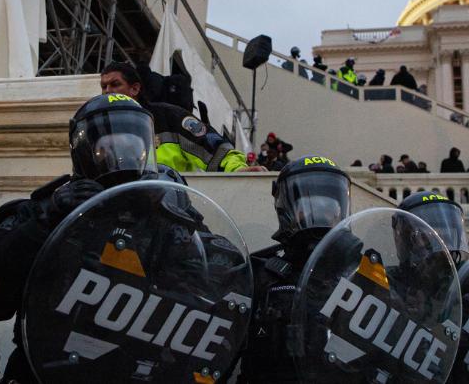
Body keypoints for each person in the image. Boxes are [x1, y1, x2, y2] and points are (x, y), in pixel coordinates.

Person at [0, 93, 158, 382]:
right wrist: (47, 221)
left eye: (132, 147)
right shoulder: (42, 210)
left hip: (129, 373)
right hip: (42, 368)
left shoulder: (162, 220)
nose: (122, 157)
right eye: (110, 146)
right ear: (85, 149)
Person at [237, 155, 351, 382]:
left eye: (329, 206)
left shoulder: (357, 275)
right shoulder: (258, 271)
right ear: (286, 208)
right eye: (307, 205)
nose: (318, 214)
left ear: (341, 211)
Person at [99, 62, 260, 172]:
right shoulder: (100, 127)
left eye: (115, 84)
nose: (107, 91)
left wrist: (238, 170)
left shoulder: (169, 118)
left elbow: (216, 150)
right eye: (104, 86)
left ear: (134, 89)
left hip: (170, 211)